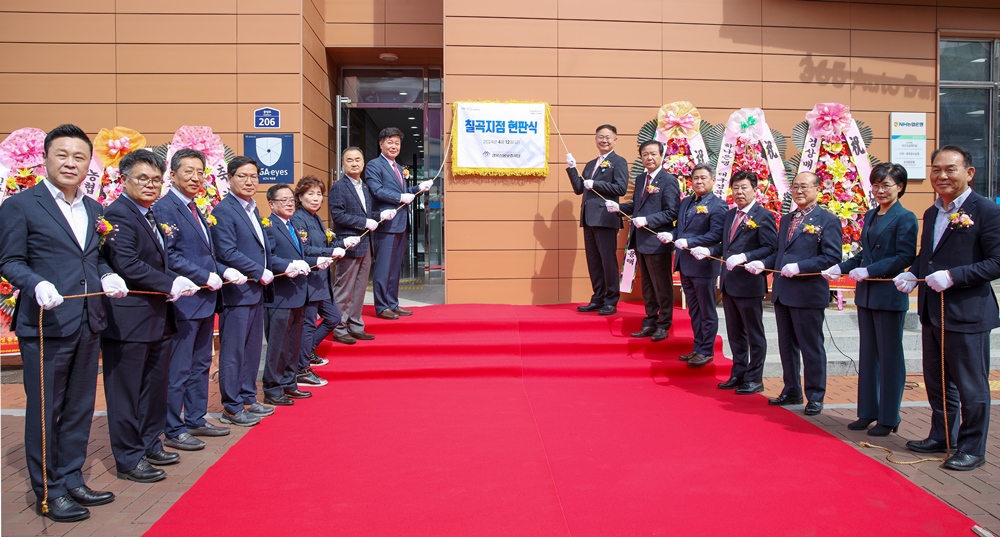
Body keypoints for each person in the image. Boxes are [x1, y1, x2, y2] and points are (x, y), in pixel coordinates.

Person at [0, 124, 125, 522]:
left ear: (89, 164)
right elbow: (10, 261)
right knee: (46, 410)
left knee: (79, 407)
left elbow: (96, 257)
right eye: (62, 155)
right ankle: (49, 491)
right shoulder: (21, 205)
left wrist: (108, 275)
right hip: (46, 322)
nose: (71, 163)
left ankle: (72, 477)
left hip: (88, 321)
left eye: (79, 157)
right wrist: (35, 283)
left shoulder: (95, 209)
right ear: (45, 159)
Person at [894, 145, 1000, 471]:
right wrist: (912, 273)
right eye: (936, 169)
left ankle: (972, 448)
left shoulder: (986, 211)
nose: (942, 176)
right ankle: (942, 435)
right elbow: (928, 256)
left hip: (967, 312)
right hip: (933, 310)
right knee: (938, 380)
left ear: (969, 172)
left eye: (950, 169)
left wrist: (954, 276)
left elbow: (996, 262)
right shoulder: (932, 212)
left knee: (971, 385)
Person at [100, 150, 200, 483]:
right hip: (129, 321)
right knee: (126, 393)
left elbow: (157, 260)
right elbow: (127, 264)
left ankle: (149, 443)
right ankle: (129, 458)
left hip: (158, 316)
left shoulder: (149, 213)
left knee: (153, 388)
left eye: (156, 180)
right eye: (142, 178)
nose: (150, 185)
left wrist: (173, 280)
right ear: (124, 179)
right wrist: (170, 282)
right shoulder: (118, 214)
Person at [822, 163, 916, 436]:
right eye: (876, 185)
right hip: (867, 295)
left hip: (888, 294)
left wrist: (871, 271)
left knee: (889, 358)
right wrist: (841, 267)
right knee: (868, 355)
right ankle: (867, 411)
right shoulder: (872, 214)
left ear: (900, 186)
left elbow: (904, 256)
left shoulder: (905, 217)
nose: (880, 190)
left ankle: (889, 417)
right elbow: (865, 254)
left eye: (886, 185)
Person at [152, 149, 236, 452]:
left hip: (205, 300)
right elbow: (170, 254)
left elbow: (206, 252)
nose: (195, 177)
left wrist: (221, 271)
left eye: (200, 172)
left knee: (201, 363)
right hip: (185, 302)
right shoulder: (165, 208)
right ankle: (173, 428)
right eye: (188, 171)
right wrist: (204, 275)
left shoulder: (196, 208)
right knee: (179, 368)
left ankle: (196, 417)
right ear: (172, 174)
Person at [747, 171, 842, 415]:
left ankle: (815, 395)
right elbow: (781, 253)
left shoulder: (827, 220)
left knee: (811, 347)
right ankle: (791, 389)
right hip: (783, 291)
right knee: (786, 345)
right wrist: (762, 264)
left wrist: (801, 267)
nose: (799, 191)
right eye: (796, 186)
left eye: (805, 186)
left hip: (808, 293)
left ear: (817, 189)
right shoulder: (788, 219)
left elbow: (832, 257)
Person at [211, 156, 275, 426]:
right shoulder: (224, 211)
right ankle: (231, 406)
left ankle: (248, 397)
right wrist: (258, 270)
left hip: (255, 291)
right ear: (229, 178)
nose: (249, 181)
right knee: (233, 351)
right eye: (242, 176)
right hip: (237, 293)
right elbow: (227, 251)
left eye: (254, 176)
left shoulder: (252, 208)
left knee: (251, 350)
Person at [605, 140, 678, 339]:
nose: (649, 157)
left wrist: (648, 220)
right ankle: (650, 320)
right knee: (647, 285)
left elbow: (672, 212)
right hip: (640, 241)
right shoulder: (640, 180)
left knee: (662, 285)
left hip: (657, 242)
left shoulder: (668, 180)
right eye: (645, 154)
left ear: (661, 156)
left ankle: (664, 323)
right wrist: (619, 208)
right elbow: (637, 207)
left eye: (653, 154)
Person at [712, 171, 777, 395]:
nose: (739, 192)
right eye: (736, 188)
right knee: (734, 333)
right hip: (729, 283)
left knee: (753, 334)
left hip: (749, 284)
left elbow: (770, 248)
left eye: (744, 187)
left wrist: (746, 256)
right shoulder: (730, 215)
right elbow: (725, 246)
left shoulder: (763, 216)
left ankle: (755, 378)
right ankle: (738, 372)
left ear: (755, 190)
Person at [290, 176, 356, 381]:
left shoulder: (316, 218)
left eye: (319, 194)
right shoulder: (298, 219)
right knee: (308, 324)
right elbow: (304, 249)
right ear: (300, 197)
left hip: (321, 280)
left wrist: (343, 242)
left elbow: (326, 243)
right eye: (310, 194)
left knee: (333, 318)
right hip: (309, 281)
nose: (316, 198)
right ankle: (302, 368)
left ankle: (307, 350)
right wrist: (330, 252)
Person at [367, 128, 433, 319]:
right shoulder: (374, 165)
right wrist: (400, 197)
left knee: (395, 268)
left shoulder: (399, 167)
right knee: (383, 268)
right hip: (386, 225)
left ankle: (392, 303)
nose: (394, 146)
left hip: (402, 224)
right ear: (381, 143)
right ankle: (382, 307)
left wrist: (418, 188)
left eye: (397, 143)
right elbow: (376, 190)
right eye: (390, 142)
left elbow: (404, 193)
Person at [259, 184, 314, 406]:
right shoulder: (269, 226)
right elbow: (268, 258)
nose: (290, 203)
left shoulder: (291, 225)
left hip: (297, 294)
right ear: (271, 204)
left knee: (293, 344)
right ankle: (273, 388)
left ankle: (289, 383)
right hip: (280, 297)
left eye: (291, 199)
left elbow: (301, 254)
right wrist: (289, 265)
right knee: (278, 346)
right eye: (284, 200)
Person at [566, 124, 629, 315]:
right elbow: (579, 189)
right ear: (595, 139)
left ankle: (611, 299)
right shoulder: (591, 164)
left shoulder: (619, 162)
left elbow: (621, 188)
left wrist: (596, 184)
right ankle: (598, 297)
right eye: (600, 137)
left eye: (608, 137)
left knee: (608, 261)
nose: (604, 140)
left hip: (605, 218)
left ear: (615, 139)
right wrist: (572, 168)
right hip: (588, 218)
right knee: (593, 261)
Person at [675, 164, 727, 367]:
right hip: (685, 264)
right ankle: (697, 347)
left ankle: (707, 350)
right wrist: (671, 235)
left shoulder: (718, 205)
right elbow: (681, 229)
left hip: (703, 265)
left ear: (713, 180)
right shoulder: (686, 202)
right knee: (694, 310)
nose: (699, 181)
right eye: (695, 178)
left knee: (707, 311)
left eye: (703, 178)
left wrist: (690, 242)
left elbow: (716, 234)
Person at [330, 147, 380, 343]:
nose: (354, 163)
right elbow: (338, 215)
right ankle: (339, 328)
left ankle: (355, 324)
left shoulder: (365, 187)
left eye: (357, 159)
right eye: (349, 160)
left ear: (363, 162)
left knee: (360, 288)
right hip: (349, 244)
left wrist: (380, 216)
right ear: (343, 164)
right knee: (344, 288)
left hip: (366, 244)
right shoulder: (338, 187)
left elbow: (368, 214)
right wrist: (364, 222)